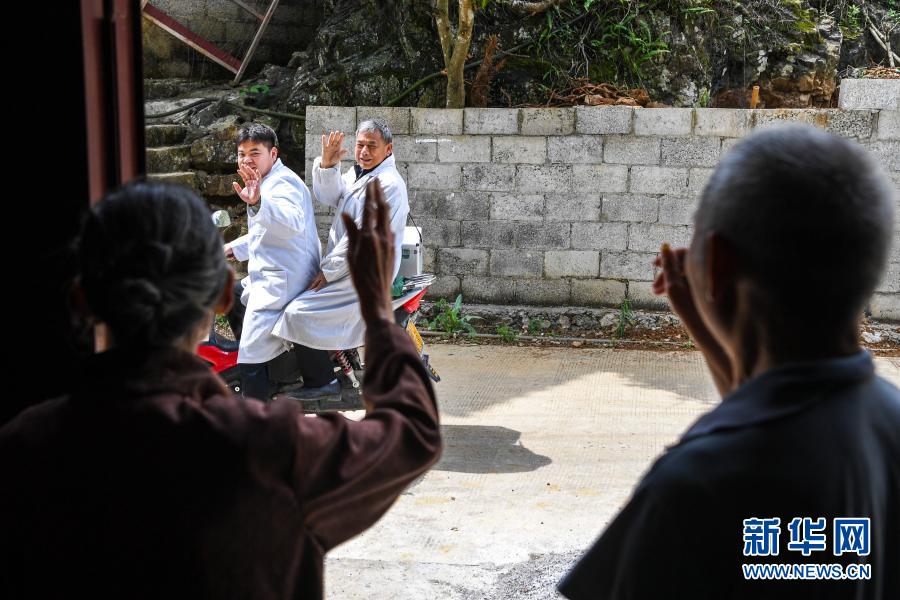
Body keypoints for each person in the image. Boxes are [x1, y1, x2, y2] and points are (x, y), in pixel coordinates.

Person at [0, 180, 442, 600]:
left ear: (80, 300)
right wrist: (376, 312)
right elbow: (411, 433)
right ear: (226, 293)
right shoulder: (266, 447)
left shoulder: (23, 447)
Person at [559, 125, 899, 599]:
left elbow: (761, 435)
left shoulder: (693, 488)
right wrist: (702, 322)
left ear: (716, 263)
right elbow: (774, 413)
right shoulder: (883, 421)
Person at [272, 118, 410, 366]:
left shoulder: (388, 184)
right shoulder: (360, 174)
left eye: (372, 146)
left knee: (297, 314)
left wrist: (329, 271)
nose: (364, 152)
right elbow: (330, 196)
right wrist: (328, 164)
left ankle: (321, 380)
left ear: (388, 149)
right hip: (346, 266)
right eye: (360, 145)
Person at [223, 122, 334, 401]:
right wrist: (232, 249)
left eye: (255, 153)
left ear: (273, 154)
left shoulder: (283, 183)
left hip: (284, 281)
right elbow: (264, 232)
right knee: (232, 293)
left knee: (249, 357)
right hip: (273, 273)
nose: (247, 160)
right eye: (242, 154)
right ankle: (275, 368)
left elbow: (290, 223)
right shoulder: (265, 181)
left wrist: (258, 202)